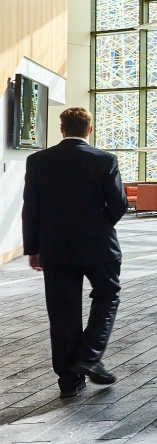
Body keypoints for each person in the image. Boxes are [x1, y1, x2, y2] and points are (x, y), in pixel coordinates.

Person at [22, 107, 127, 398]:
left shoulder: (38, 161)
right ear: (89, 130)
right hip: (98, 246)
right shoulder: (104, 159)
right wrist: (98, 225)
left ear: (61, 128)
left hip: (54, 248)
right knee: (107, 294)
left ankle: (69, 382)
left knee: (62, 311)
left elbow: (31, 207)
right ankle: (89, 357)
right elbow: (118, 204)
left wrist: (33, 248)